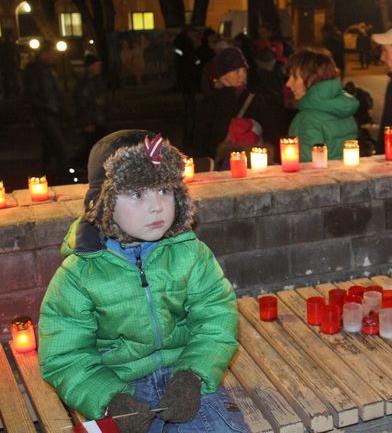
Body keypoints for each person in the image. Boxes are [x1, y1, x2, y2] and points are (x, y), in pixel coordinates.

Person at [38, 130, 247, 432]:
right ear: (104, 204)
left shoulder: (190, 253)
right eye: (137, 194)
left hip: (184, 373)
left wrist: (194, 375)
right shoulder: (79, 274)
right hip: (119, 385)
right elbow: (65, 355)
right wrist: (110, 400)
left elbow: (216, 315)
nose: (157, 206)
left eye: (164, 190)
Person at [286, 47, 359, 162]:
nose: (288, 83)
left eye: (294, 77)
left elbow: (309, 170)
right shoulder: (341, 107)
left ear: (312, 79)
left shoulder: (307, 119)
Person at [195, 47, 264, 165]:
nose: (242, 76)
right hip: (223, 170)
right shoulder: (210, 105)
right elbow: (201, 143)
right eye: (236, 71)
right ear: (223, 76)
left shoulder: (255, 101)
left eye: (244, 70)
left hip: (253, 167)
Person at [23, 41, 71, 183]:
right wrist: (47, 108)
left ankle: (47, 178)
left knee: (49, 148)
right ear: (44, 54)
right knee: (60, 147)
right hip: (44, 114)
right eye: (52, 53)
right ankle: (64, 178)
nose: (55, 56)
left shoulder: (48, 70)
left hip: (52, 113)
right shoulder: (35, 71)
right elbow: (31, 95)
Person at [74, 54, 109, 167]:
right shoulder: (84, 83)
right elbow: (82, 104)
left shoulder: (98, 80)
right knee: (91, 147)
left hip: (100, 119)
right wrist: (87, 122)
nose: (99, 68)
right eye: (96, 65)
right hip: (92, 121)